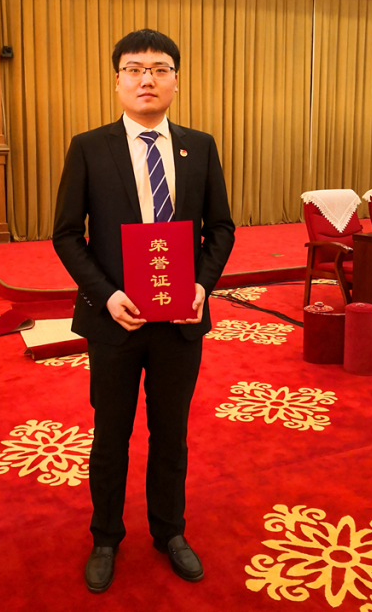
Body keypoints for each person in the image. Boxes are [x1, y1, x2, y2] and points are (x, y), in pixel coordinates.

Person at [52, 29, 235, 593]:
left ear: (176, 80)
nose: (146, 79)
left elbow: (221, 228)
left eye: (159, 69)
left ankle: (170, 531)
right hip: (115, 321)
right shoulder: (89, 147)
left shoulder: (200, 146)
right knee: (111, 434)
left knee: (170, 433)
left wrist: (202, 286)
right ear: (118, 81)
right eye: (134, 69)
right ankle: (105, 536)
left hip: (180, 322)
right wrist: (106, 295)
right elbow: (66, 234)